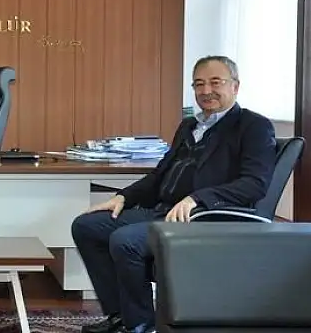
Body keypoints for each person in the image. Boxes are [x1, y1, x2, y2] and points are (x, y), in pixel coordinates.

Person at [71, 56, 277, 333]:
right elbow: (159, 175)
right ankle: (120, 317)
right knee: (87, 226)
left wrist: (197, 198)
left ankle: (141, 326)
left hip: (206, 218)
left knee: (125, 240)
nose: (206, 91)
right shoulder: (189, 126)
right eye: (199, 84)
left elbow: (254, 184)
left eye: (215, 82)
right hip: (164, 212)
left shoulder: (254, 126)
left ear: (235, 86)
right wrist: (123, 197)